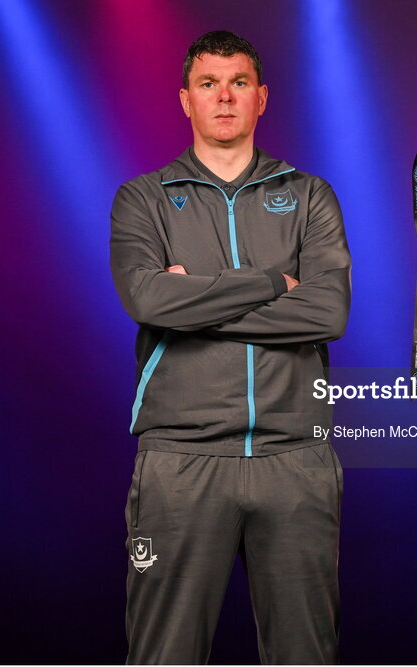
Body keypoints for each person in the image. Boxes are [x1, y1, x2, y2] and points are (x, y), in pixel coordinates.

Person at [109, 30, 350, 665]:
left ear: (261, 98)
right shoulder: (144, 198)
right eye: (208, 84)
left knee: (307, 656)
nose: (224, 97)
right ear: (184, 100)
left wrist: (197, 302)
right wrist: (272, 283)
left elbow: (327, 311)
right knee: (165, 655)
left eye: (238, 82)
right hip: (182, 460)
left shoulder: (308, 195)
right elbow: (150, 302)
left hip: (294, 457)